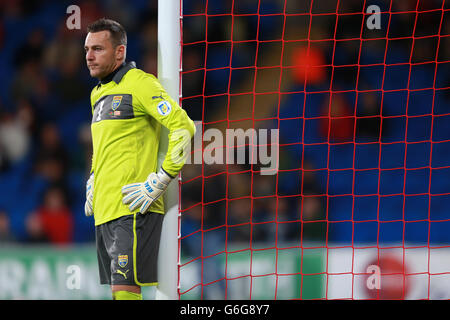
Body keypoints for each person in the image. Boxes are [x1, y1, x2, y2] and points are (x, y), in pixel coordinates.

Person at [83, 18, 196, 300]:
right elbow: (105, 144)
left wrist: (162, 178)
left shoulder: (141, 83)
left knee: (125, 294)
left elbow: (184, 127)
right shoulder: (97, 94)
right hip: (106, 209)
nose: (89, 56)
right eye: (87, 49)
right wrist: (94, 177)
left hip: (133, 206)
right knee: (120, 293)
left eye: (98, 48)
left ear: (120, 52)